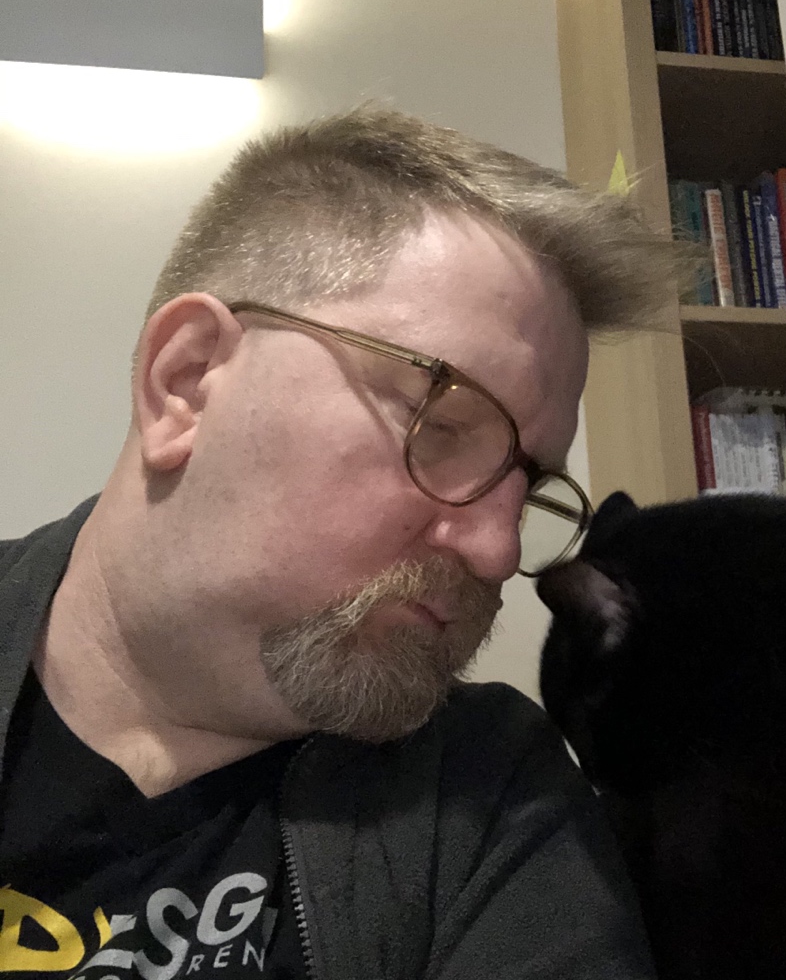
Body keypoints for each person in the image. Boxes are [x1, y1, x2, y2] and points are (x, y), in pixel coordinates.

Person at [0, 105, 675, 979]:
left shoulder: (490, 796)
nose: (500, 551)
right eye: (443, 424)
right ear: (187, 383)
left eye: (529, 486)